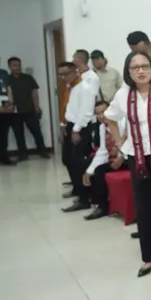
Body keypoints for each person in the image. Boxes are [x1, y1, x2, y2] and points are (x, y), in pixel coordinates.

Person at [104, 51, 151, 277]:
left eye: (145, 66)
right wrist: (118, 142)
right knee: (144, 209)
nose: (141, 71)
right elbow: (110, 117)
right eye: (135, 67)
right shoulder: (122, 95)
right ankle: (149, 258)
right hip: (137, 157)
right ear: (128, 72)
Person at [58, 62, 97, 212]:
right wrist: (63, 127)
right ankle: (77, 189)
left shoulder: (85, 88)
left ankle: (84, 198)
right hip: (70, 126)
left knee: (78, 163)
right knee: (67, 159)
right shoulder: (70, 87)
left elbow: (86, 112)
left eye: (65, 74)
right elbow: (67, 108)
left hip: (80, 128)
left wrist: (76, 130)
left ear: (75, 71)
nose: (63, 77)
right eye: (60, 74)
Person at [82, 101, 127, 221]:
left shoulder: (122, 122)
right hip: (114, 158)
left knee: (100, 171)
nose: (101, 116)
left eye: (103, 111)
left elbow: (129, 142)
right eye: (98, 113)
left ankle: (103, 207)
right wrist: (88, 171)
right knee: (93, 169)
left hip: (128, 158)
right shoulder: (102, 127)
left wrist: (122, 158)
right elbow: (103, 150)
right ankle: (98, 203)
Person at [6, 57, 48, 160]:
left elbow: (34, 93)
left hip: (29, 109)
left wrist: (37, 107)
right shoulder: (7, 79)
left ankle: (42, 151)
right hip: (15, 111)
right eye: (15, 65)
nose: (18, 67)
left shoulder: (28, 78)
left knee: (36, 131)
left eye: (19, 65)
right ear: (10, 67)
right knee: (18, 134)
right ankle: (23, 154)